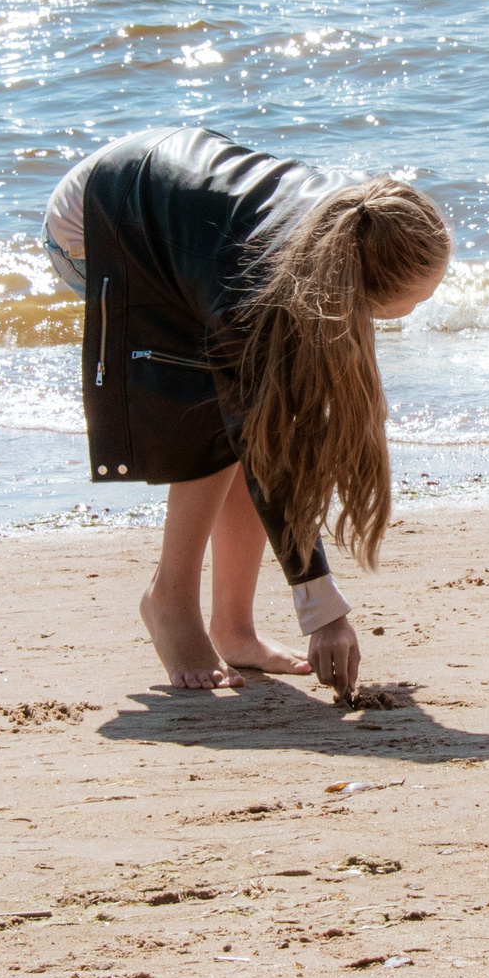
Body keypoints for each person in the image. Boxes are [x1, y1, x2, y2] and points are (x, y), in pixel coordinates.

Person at [44, 128, 450, 696]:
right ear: (357, 292)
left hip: (176, 192)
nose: (424, 304)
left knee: (246, 418)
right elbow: (273, 453)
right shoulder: (259, 293)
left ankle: (234, 628)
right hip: (99, 218)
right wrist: (322, 609)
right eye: (418, 299)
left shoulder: (359, 223)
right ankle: (170, 601)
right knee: (218, 415)